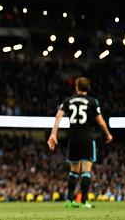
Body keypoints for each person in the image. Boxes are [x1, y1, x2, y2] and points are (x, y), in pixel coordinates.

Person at [48, 77, 113, 209]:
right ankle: (83, 201)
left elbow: (58, 116)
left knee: (73, 171)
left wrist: (53, 134)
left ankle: (70, 201)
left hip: (73, 139)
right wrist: (107, 134)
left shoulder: (68, 101)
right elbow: (100, 121)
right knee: (86, 171)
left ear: (76, 87)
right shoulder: (92, 101)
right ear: (88, 88)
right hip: (87, 138)